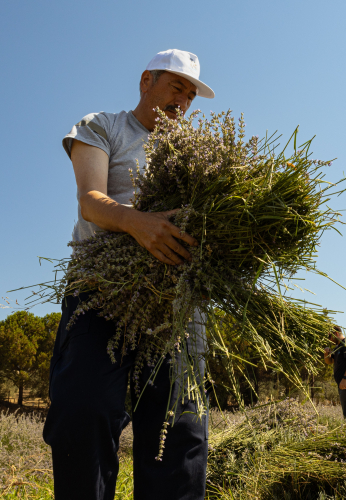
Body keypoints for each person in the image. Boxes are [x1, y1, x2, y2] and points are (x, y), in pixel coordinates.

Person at [42, 49, 215, 500]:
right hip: (102, 293)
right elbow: (90, 199)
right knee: (84, 410)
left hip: (176, 306)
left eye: (191, 95)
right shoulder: (103, 126)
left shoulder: (197, 155)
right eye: (176, 86)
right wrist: (139, 223)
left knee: (180, 431)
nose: (184, 101)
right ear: (146, 81)